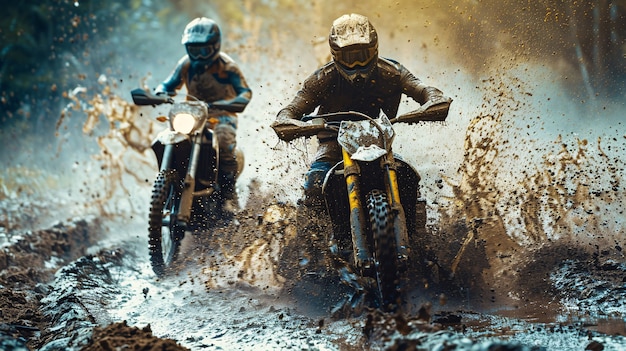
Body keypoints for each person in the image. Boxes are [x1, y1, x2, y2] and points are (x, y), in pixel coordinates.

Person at [271, 13, 451, 210]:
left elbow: (423, 89)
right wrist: (291, 123)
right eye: (349, 57)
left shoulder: (392, 72)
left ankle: (416, 231)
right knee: (315, 184)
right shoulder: (322, 78)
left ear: (374, 49)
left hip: (379, 143)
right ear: (336, 55)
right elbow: (291, 110)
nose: (356, 64)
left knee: (407, 176)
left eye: (361, 55)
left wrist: (434, 102)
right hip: (333, 145)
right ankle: (310, 238)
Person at [155, 17, 252, 214]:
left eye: (204, 50)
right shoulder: (186, 64)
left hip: (221, 116)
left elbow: (245, 92)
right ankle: (169, 183)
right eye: (193, 50)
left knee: (224, 143)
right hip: (192, 116)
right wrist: (160, 92)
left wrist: (229, 103)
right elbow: (168, 84)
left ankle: (227, 197)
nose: (198, 56)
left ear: (215, 46)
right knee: (164, 139)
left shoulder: (227, 66)